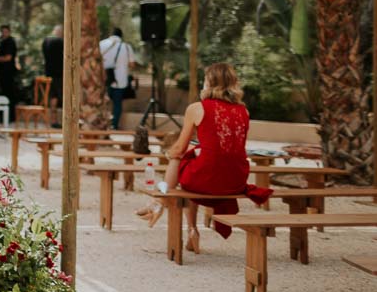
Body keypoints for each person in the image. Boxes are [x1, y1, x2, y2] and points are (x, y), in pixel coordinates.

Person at [141, 63, 272, 254]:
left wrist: (169, 154)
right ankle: (184, 225)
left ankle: (165, 208)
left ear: (209, 83)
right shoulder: (244, 111)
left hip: (206, 180)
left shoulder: (196, 108)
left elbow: (179, 148)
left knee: (181, 161)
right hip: (235, 180)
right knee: (195, 161)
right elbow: (229, 147)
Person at [100, 27, 136, 130]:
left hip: (103, 80)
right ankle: (114, 125)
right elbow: (132, 64)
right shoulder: (126, 47)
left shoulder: (101, 44)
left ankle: (102, 124)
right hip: (120, 80)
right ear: (121, 36)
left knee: (103, 103)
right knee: (117, 104)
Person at [42, 24, 64, 126]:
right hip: (60, 74)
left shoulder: (46, 41)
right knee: (62, 97)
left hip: (49, 73)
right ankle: (62, 121)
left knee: (53, 97)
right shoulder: (62, 42)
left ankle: (53, 120)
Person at [0, 25, 18, 111]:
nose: (4, 33)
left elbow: (8, 57)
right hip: (2, 72)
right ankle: (4, 113)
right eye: (2, 31)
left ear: (9, 32)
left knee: (9, 93)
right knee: (4, 92)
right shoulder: (3, 42)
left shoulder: (10, 42)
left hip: (8, 72)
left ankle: (10, 114)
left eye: (5, 31)